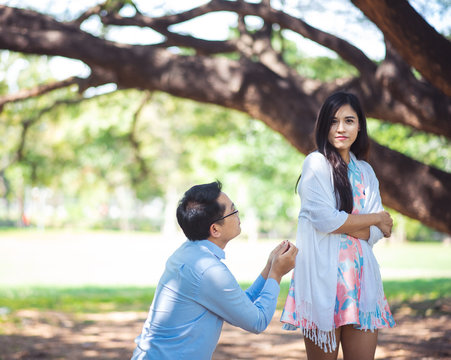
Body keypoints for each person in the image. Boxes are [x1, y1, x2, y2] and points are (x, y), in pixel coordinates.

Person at [280, 91, 396, 360]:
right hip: (323, 283)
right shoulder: (316, 164)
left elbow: (377, 234)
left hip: (362, 283)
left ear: (360, 126)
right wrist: (376, 218)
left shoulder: (365, 171)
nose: (341, 128)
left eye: (349, 120)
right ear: (323, 125)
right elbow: (325, 219)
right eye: (333, 121)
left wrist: (360, 224)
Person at [131, 181, 298, 359]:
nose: (238, 214)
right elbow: (257, 321)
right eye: (233, 211)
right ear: (215, 229)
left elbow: (240, 306)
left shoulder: (189, 253)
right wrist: (276, 274)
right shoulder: (208, 270)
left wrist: (268, 269)